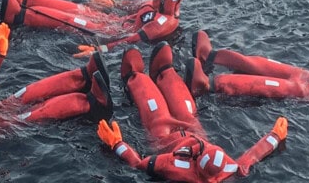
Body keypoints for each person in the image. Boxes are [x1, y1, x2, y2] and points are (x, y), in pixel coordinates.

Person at [95, 43, 288, 182]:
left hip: (165, 139)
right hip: (195, 132)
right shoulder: (232, 170)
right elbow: (253, 155)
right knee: (187, 113)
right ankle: (165, 72)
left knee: (158, 117)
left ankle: (134, 75)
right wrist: (275, 136)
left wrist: (117, 144)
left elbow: (139, 164)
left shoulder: (177, 167)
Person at [0, 0, 183, 56]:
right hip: (114, 22)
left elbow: (131, 39)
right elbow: (134, 5)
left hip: (111, 32)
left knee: (72, 20)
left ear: (167, 2)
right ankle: (25, 0)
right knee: (78, 9)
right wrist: (113, 3)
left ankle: (20, 15)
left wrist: (100, 49)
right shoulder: (158, 4)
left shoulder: (162, 24)